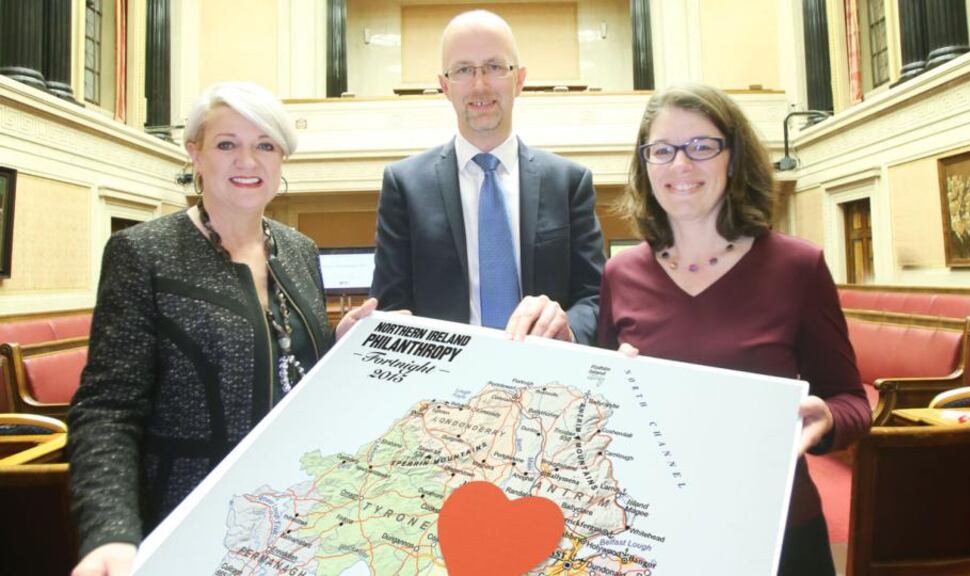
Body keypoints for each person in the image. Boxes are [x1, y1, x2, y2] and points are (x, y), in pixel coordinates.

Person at [67, 82, 345, 576]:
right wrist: (110, 531)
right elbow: (108, 409)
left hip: (295, 516)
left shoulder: (300, 250)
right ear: (194, 153)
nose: (248, 160)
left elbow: (296, 371)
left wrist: (347, 346)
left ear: (281, 160)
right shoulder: (143, 254)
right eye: (226, 144)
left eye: (265, 145)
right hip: (187, 518)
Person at [597, 85, 871, 576]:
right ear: (646, 165)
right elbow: (599, 407)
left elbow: (853, 401)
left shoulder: (798, 266)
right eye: (662, 150)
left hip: (778, 531)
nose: (681, 165)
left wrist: (826, 418)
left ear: (733, 157)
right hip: (656, 533)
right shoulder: (620, 274)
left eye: (702, 146)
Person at [370, 10, 605, 344]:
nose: (480, 85)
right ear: (444, 86)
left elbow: (594, 296)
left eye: (495, 67)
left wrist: (568, 329)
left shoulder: (569, 182)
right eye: (464, 70)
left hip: (546, 375)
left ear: (519, 79)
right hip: (441, 384)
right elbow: (391, 304)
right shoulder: (404, 185)